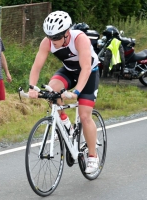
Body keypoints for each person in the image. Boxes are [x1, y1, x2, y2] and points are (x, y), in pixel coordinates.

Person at [28, 11, 100, 174]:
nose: (52, 41)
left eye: (55, 37)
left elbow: (86, 68)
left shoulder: (80, 39)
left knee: (84, 115)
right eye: (49, 37)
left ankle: (93, 156)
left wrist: (76, 92)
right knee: (51, 90)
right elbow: (36, 66)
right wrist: (31, 87)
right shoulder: (47, 42)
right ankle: (65, 124)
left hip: (88, 73)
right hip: (69, 71)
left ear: (66, 33)